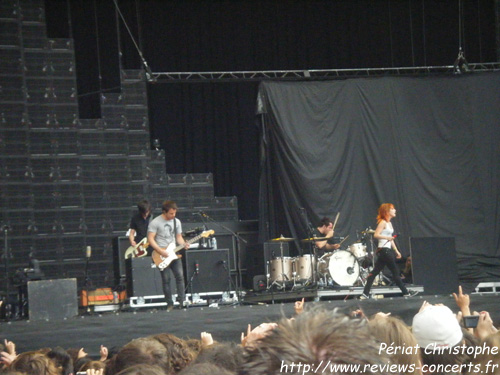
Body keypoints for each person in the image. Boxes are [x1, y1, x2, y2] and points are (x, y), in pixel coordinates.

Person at [360, 203, 416, 299]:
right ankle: (405, 292)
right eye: (393, 209)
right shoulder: (382, 222)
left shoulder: (389, 223)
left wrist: (396, 251)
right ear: (387, 211)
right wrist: (386, 237)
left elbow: (391, 239)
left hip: (386, 250)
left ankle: (365, 293)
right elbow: (376, 235)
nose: (395, 210)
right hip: (384, 250)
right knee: (395, 271)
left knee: (374, 272)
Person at [147, 200, 189, 310]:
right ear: (164, 212)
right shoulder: (155, 222)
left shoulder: (177, 222)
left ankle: (181, 302)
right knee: (166, 279)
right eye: (171, 213)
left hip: (174, 252)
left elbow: (178, 237)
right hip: (161, 254)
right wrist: (160, 251)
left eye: (174, 213)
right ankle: (169, 304)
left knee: (180, 276)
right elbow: (150, 239)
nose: (173, 215)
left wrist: (184, 243)